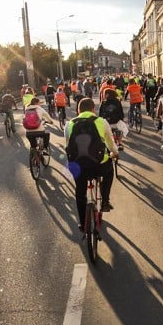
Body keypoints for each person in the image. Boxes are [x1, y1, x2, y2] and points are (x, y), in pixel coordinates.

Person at [65, 97, 119, 227]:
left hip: (78, 166)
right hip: (98, 165)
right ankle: (105, 200)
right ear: (93, 109)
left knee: (80, 191)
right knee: (109, 170)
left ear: (78, 110)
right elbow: (110, 143)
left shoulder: (70, 124)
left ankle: (83, 223)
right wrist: (115, 153)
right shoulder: (101, 121)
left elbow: (68, 146)